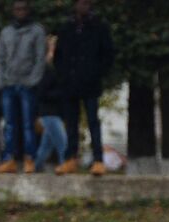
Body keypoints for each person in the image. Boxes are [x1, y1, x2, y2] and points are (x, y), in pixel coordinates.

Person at [53, 0, 114, 176]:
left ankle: (98, 160)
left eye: (86, 3)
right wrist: (64, 75)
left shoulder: (99, 28)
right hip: (70, 84)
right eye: (80, 3)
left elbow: (108, 54)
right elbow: (59, 56)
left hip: (90, 84)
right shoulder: (66, 28)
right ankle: (70, 158)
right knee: (71, 123)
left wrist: (95, 73)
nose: (83, 7)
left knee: (93, 122)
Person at [0, 0, 47, 174]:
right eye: (17, 9)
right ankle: (9, 159)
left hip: (27, 85)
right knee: (9, 125)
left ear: (28, 10)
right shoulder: (6, 32)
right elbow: (0, 58)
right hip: (9, 84)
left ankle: (29, 158)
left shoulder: (37, 31)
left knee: (27, 124)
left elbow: (40, 58)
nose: (20, 12)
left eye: (23, 8)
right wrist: (1, 80)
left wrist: (33, 80)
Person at [34, 36, 68, 172]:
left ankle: (36, 167)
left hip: (56, 113)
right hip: (49, 112)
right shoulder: (45, 68)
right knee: (63, 143)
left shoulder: (58, 67)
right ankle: (65, 166)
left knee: (46, 145)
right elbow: (41, 92)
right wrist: (62, 92)